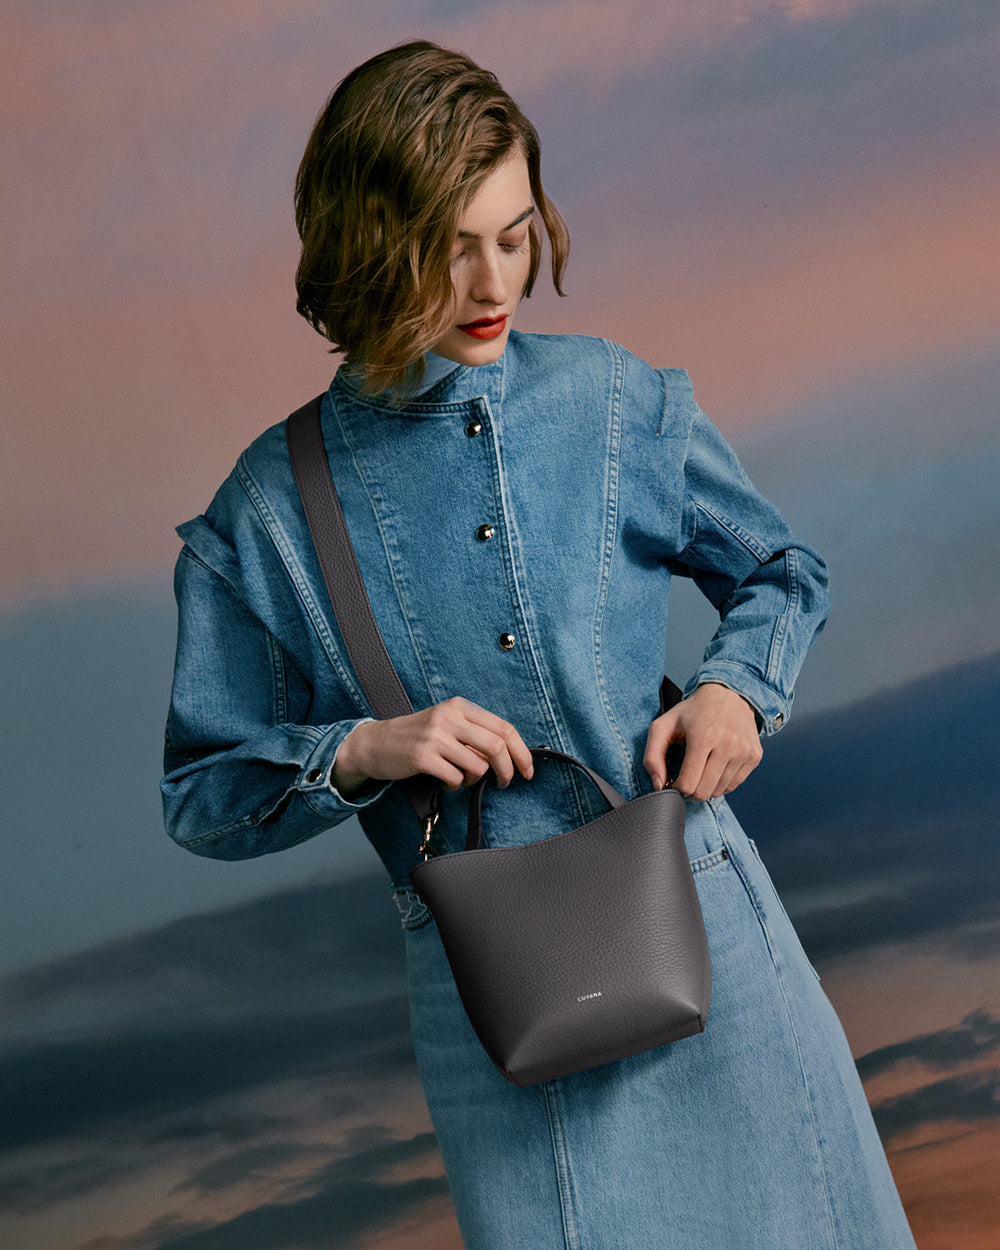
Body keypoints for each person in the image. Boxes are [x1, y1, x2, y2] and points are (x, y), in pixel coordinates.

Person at [161, 40, 916, 1249]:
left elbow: (781, 571)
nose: (491, 277)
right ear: (365, 244)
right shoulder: (266, 512)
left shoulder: (613, 400)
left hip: (712, 936)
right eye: (448, 246)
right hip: (500, 1011)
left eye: (514, 233)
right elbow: (200, 789)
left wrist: (733, 692)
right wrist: (362, 748)